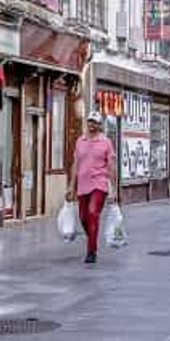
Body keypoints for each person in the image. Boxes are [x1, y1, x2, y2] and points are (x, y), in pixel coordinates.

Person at [68, 111, 116, 265]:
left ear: (99, 125)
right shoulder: (80, 141)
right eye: (90, 121)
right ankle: (93, 238)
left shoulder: (106, 142)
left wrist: (114, 189)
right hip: (82, 185)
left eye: (95, 122)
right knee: (83, 218)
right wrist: (71, 186)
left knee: (92, 213)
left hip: (99, 184)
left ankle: (91, 252)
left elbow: (111, 166)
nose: (91, 124)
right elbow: (75, 164)